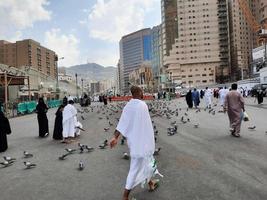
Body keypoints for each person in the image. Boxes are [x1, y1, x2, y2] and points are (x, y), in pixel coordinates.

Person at [110, 86, 162, 200]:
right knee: (135, 169)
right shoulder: (142, 105)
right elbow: (146, 124)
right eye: (142, 91)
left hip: (135, 143)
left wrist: (115, 137)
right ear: (139, 92)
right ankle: (125, 196)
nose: (143, 93)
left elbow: (122, 123)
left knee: (148, 163)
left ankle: (151, 183)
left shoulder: (128, 106)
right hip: (143, 143)